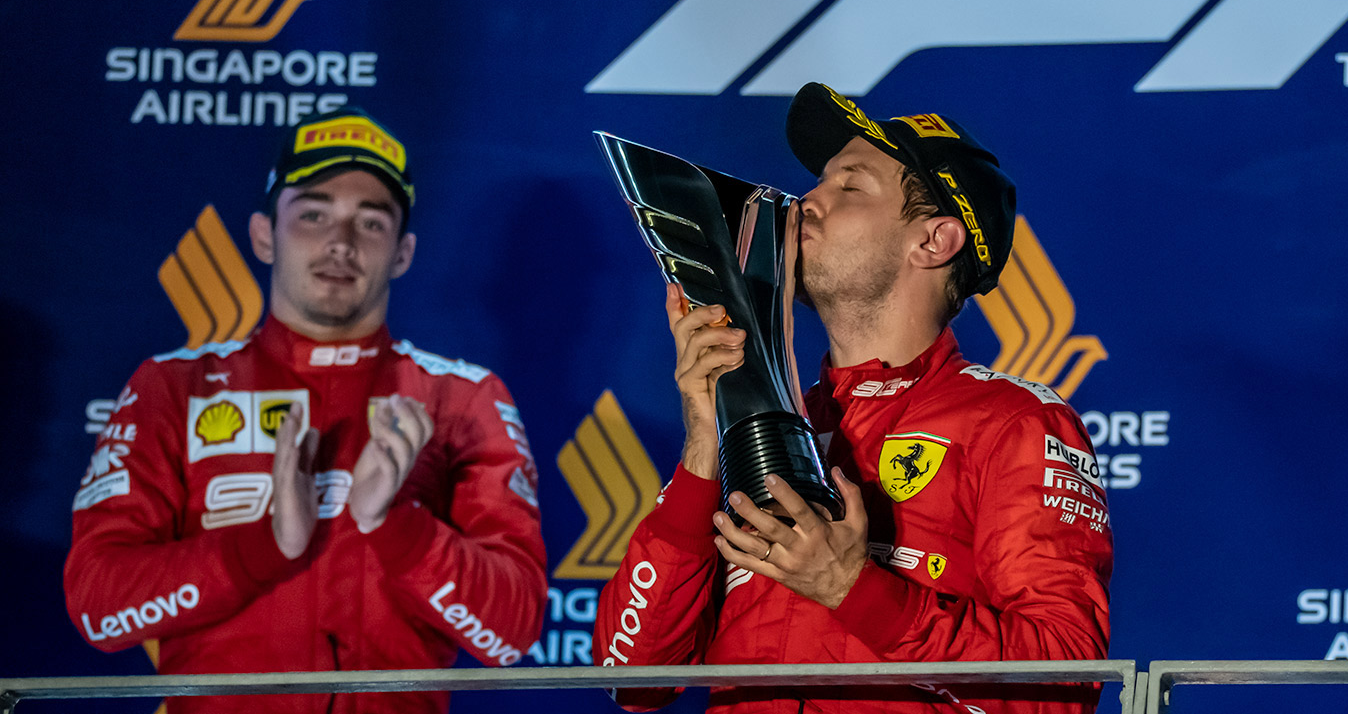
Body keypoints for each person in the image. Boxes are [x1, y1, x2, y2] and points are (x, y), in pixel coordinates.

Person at [595, 83, 1113, 713]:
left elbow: (1063, 683)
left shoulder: (1013, 423)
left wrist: (852, 589)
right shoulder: (773, 419)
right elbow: (633, 676)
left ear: (934, 241)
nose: (807, 200)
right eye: (817, 183)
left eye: (850, 186)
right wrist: (706, 440)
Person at [65, 108, 547, 714]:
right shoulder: (174, 387)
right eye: (314, 214)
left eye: (371, 223)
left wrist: (397, 527)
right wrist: (260, 547)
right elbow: (97, 607)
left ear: (403, 252)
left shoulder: (463, 398)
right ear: (264, 234)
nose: (340, 243)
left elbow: (513, 632)